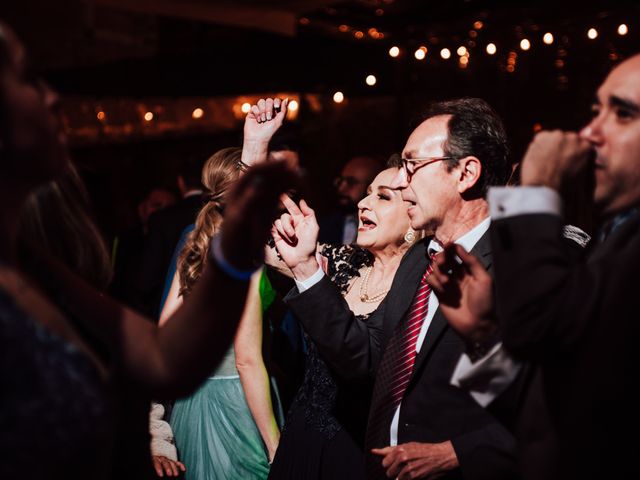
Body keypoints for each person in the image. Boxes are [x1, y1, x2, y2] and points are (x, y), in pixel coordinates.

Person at [0, 22, 296, 479]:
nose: (52, 97)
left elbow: (163, 358)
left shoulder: (34, 266)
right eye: (25, 78)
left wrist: (252, 161)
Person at [271, 98, 518, 479]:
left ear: (466, 173)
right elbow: (364, 359)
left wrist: (457, 453)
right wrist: (305, 268)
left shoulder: (518, 267)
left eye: (412, 165)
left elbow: (559, 402)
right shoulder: (417, 262)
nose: (401, 181)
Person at [434, 53, 640, 480]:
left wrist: (535, 193)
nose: (590, 132)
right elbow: (553, 407)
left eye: (622, 113)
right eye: (595, 111)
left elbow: (535, 327)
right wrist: (486, 336)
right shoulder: (617, 236)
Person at [269, 164, 419, 479]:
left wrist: (308, 267)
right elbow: (262, 242)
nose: (363, 203)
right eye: (366, 195)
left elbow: (363, 361)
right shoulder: (343, 263)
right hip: (301, 438)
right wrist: (257, 146)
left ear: (415, 216)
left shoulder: (421, 286)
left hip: (354, 450)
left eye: (383, 197)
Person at [159, 145, 284, 479]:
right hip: (239, 405)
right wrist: (276, 446)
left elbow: (165, 331)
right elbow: (246, 359)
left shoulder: (196, 245)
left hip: (194, 402)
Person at [318, 156, 383, 245]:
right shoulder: (325, 225)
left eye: (351, 182)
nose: (341, 189)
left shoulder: (383, 226)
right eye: (340, 181)